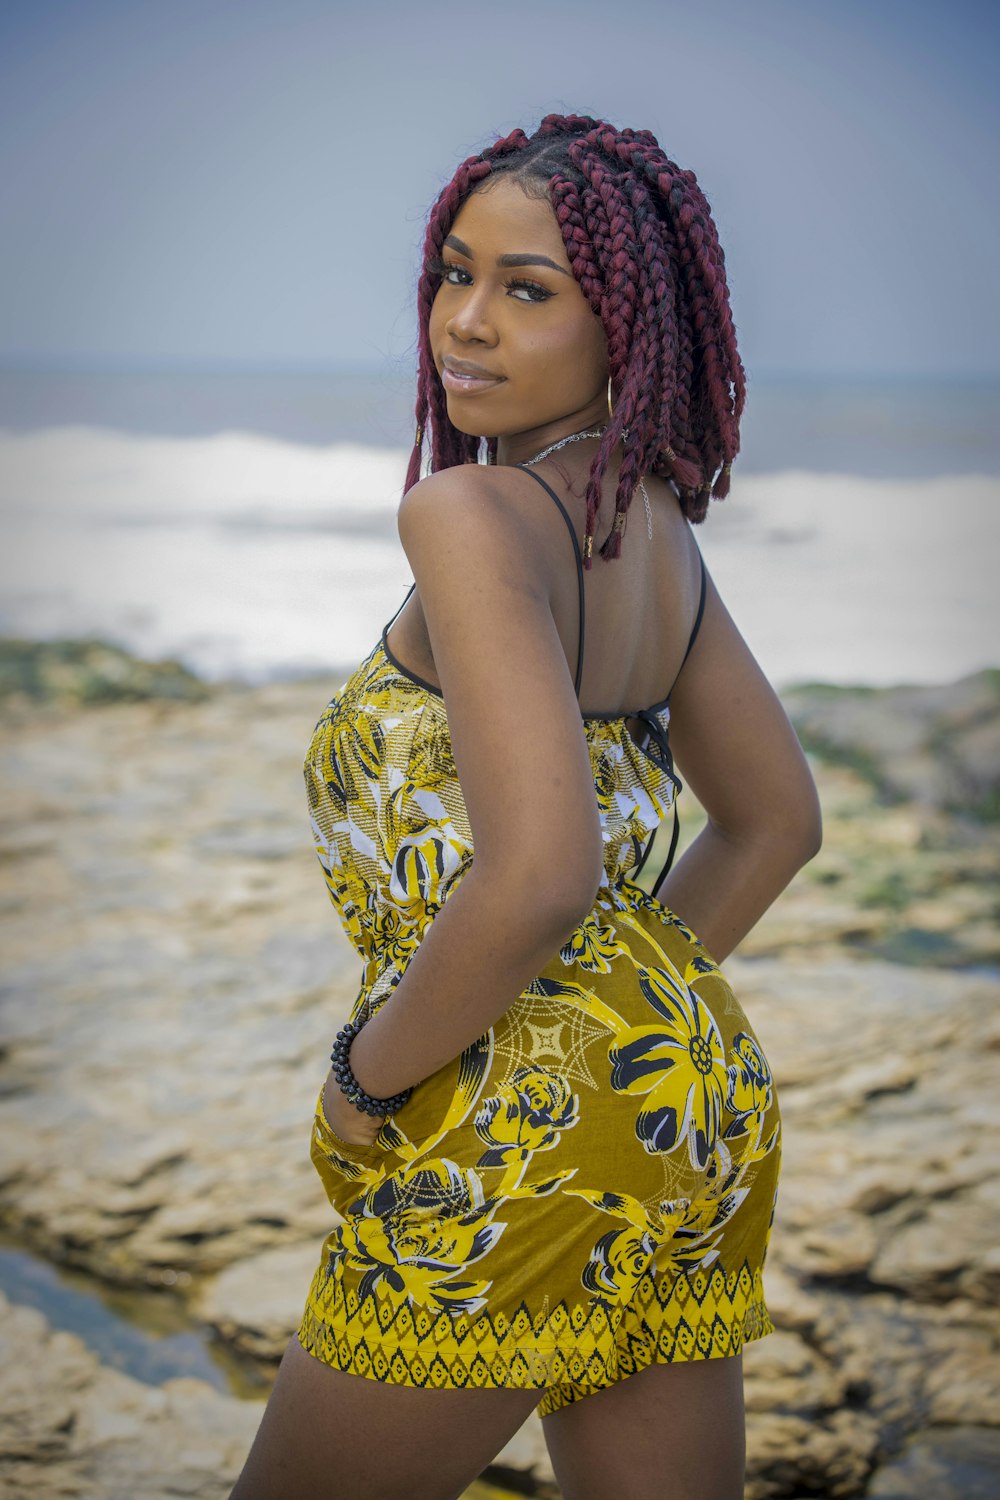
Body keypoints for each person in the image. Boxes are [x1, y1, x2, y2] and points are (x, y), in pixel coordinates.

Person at [230, 113, 822, 1500]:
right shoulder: (649, 525)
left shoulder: (468, 518)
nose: (467, 323)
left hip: (520, 1119)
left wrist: (364, 1078)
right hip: (698, 1105)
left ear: (625, 321)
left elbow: (539, 875)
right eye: (454, 273)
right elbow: (776, 821)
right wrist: (629, 1030)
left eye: (529, 288)